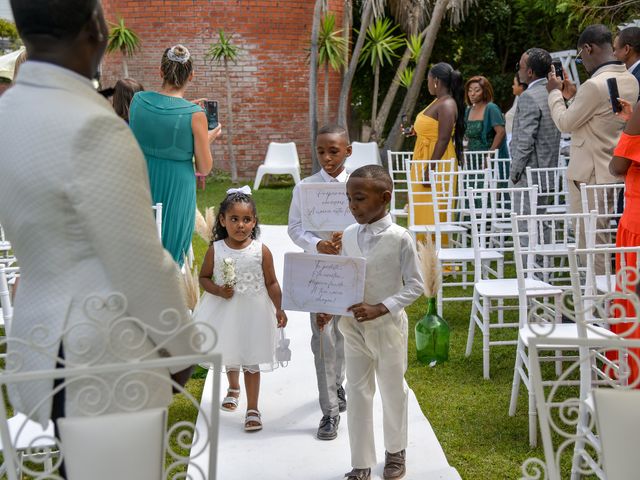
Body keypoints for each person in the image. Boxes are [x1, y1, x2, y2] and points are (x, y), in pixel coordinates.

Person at [0, 0, 197, 437]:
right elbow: (141, 264)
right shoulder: (94, 126)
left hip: (37, 345)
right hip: (103, 362)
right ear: (95, 29)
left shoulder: (7, 114)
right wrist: (182, 352)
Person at [317, 165, 423, 480]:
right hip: (352, 328)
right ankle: (361, 460)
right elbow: (344, 280)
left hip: (387, 328)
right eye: (349, 199)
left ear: (385, 197)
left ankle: (395, 451)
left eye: (359, 199)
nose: (352, 206)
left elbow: (415, 285)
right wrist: (329, 307)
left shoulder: (400, 237)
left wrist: (381, 308)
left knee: (392, 390)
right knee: (358, 391)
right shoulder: (349, 235)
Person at [195, 187, 286, 432]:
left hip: (255, 310)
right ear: (223, 220)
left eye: (247, 219)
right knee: (231, 348)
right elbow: (203, 277)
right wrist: (217, 290)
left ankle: (253, 408)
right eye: (234, 219)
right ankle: (233, 388)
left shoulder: (261, 250)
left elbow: (272, 282)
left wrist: (280, 308)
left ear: (254, 221)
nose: (240, 225)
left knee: (252, 358)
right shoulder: (216, 249)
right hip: (226, 309)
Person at [547, 24, 639, 269]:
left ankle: (596, 302)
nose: (582, 62)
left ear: (588, 48)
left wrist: (555, 95)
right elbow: (599, 117)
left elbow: (565, 123)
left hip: (590, 177)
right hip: (616, 172)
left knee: (591, 245)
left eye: (580, 56)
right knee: (608, 242)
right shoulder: (630, 79)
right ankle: (613, 297)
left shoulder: (594, 85)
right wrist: (574, 98)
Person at [129, 44, 221, 266]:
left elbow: (159, 123)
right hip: (176, 189)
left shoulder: (138, 101)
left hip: (141, 183)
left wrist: (185, 107)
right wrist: (210, 137)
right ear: (191, 76)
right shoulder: (195, 116)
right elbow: (204, 167)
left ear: (161, 71)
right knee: (170, 256)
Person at [287, 123, 351, 440]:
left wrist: (347, 238)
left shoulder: (358, 183)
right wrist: (317, 244)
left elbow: (372, 222)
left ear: (348, 151)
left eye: (334, 151)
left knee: (344, 337)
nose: (327, 157)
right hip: (319, 271)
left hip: (352, 271)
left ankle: (338, 385)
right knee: (323, 338)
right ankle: (329, 412)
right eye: (321, 151)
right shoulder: (305, 188)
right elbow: (295, 228)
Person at [405, 62, 464, 228]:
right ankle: (420, 250)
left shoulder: (446, 104)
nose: (428, 84)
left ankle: (433, 251)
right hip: (425, 158)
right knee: (419, 207)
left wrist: (430, 169)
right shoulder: (438, 101)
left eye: (428, 80)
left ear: (436, 80)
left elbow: (444, 138)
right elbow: (433, 128)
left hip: (436, 162)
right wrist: (415, 131)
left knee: (430, 212)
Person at [463, 75, 509, 159]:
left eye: (477, 91)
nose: (472, 94)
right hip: (472, 158)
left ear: (485, 92)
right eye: (469, 91)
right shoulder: (468, 110)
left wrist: (489, 155)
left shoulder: (491, 108)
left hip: (488, 159)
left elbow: (501, 132)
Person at [505, 74, 527, 147]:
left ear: (521, 87)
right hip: (511, 139)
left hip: (518, 141)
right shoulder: (518, 98)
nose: (513, 86)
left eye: (514, 84)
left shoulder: (526, 102)